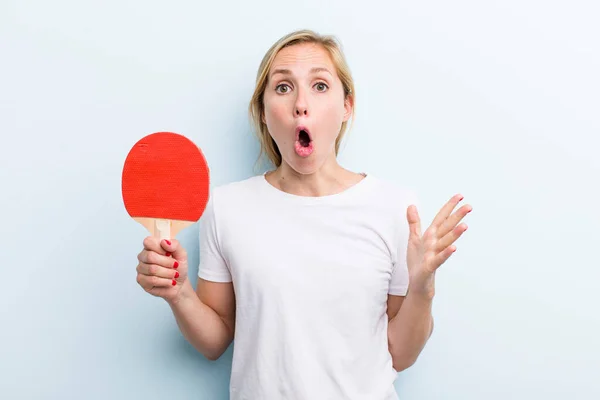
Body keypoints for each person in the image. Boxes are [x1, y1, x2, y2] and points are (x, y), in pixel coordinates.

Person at [135, 29, 472, 400]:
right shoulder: (227, 208)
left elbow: (401, 354)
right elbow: (215, 342)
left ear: (347, 106)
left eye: (320, 86)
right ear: (263, 113)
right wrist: (179, 293)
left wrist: (422, 287)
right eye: (282, 87)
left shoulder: (395, 208)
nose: (301, 103)